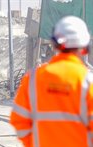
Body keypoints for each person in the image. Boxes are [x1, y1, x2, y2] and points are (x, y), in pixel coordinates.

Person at [9, 16, 93, 147]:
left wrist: (32, 143)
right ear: (84, 48)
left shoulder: (33, 79)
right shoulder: (88, 82)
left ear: (54, 44)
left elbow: (19, 120)